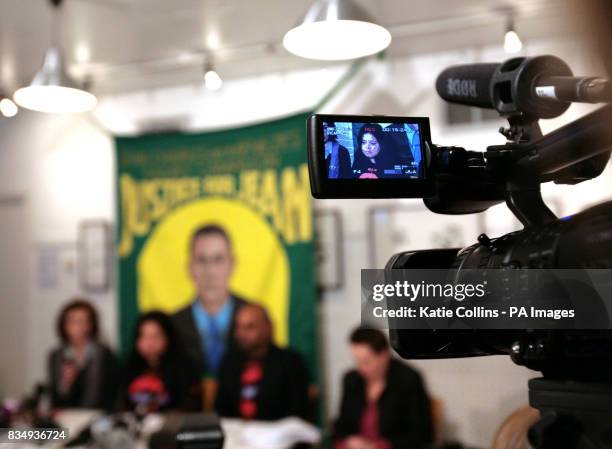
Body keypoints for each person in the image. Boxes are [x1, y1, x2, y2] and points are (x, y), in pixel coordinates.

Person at [172, 224, 251, 378]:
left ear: (232, 264)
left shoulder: (254, 319)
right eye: (201, 260)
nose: (210, 271)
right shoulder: (172, 324)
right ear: (190, 267)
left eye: (218, 260)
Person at [333, 328, 433, 449]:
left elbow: (421, 433)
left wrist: (381, 446)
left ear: (384, 355)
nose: (361, 368)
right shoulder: (352, 379)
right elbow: (342, 424)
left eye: (366, 361)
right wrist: (350, 439)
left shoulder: (408, 379)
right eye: (357, 361)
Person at [215, 304, 310, 421]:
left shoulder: (291, 362)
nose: (241, 334)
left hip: (279, 433)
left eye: (249, 327)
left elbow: (297, 411)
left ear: (268, 327)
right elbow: (222, 410)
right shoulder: (230, 362)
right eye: (238, 327)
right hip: (238, 433)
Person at [119, 311, 200, 414]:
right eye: (144, 336)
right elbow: (120, 406)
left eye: (155, 336)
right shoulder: (129, 367)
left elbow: (190, 407)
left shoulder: (184, 368)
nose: (149, 343)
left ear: (167, 338)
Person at [47, 299, 117, 410]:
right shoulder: (56, 356)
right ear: (64, 325)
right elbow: (55, 398)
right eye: (73, 321)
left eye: (83, 321)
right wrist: (65, 384)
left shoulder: (104, 354)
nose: (78, 327)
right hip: (67, 414)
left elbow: (110, 393)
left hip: (98, 415)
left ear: (91, 325)